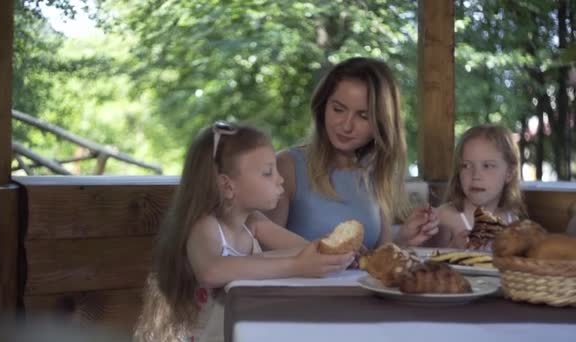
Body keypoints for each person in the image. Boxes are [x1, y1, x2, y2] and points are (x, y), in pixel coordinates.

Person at [133, 121, 355, 342]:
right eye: (268, 172)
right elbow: (211, 271)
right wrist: (297, 265)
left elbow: (302, 249)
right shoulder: (205, 226)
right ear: (228, 186)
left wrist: (332, 250)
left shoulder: (253, 222)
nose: (280, 179)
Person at [264, 57, 439, 249]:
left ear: (381, 123)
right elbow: (262, 255)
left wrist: (403, 240)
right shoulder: (286, 166)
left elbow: (376, 261)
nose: (346, 126)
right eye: (338, 109)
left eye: (363, 116)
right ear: (322, 107)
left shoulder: (376, 175)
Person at [427, 124, 526, 248]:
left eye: (487, 166)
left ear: (509, 173)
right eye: (466, 166)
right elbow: (427, 262)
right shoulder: (444, 217)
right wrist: (452, 249)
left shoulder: (512, 220)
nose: (475, 175)